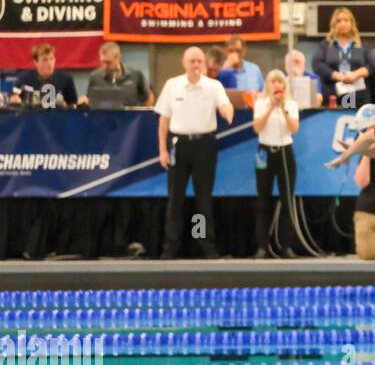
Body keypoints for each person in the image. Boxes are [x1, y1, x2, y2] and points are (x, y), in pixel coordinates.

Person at [156, 46, 234, 259]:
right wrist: (162, 150)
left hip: (204, 146)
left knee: (203, 200)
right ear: (184, 63)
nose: (196, 65)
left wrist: (227, 112)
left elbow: (225, 104)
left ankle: (204, 244)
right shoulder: (172, 85)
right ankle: (171, 247)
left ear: (205, 64)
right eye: (192, 61)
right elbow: (163, 121)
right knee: (175, 199)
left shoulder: (213, 86)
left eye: (200, 61)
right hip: (179, 146)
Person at [252, 68, 300, 258]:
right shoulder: (260, 103)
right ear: (268, 85)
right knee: (263, 200)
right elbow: (257, 127)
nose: (277, 85)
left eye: (280, 82)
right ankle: (262, 246)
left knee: (287, 201)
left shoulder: (291, 104)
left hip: (284, 152)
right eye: (273, 82)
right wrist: (271, 107)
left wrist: (283, 109)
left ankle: (286, 245)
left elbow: (294, 128)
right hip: (265, 152)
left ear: (284, 86)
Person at [313, 7, 375, 106]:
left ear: (352, 23)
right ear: (334, 24)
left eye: (346, 20)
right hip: (333, 93)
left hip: (358, 93)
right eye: (339, 21)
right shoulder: (325, 45)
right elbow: (317, 64)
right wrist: (336, 75)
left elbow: (373, 65)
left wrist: (355, 74)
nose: (343, 23)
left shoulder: (362, 44)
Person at [83, 40, 152, 106]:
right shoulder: (95, 77)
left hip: (130, 117)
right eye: (102, 62)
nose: (104, 66)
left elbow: (149, 97)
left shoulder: (136, 74)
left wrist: (144, 116)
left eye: (108, 62)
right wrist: (84, 101)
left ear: (118, 57)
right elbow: (89, 100)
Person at [11, 43, 77, 107]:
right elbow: (13, 99)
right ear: (36, 62)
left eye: (51, 58)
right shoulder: (23, 78)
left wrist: (78, 104)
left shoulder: (66, 78)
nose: (49, 63)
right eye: (45, 60)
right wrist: (15, 100)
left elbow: (73, 105)